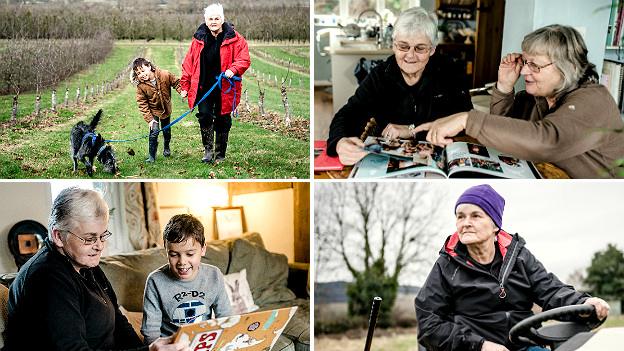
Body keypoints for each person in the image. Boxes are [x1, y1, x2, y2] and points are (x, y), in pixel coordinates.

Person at [415, 184, 610, 351]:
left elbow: (550, 290)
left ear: (495, 225)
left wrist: (584, 301)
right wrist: (480, 345)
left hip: (524, 344)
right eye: (460, 216)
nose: (465, 223)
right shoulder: (447, 265)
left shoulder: (519, 257)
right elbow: (429, 324)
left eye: (475, 216)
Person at [414, 25, 624, 178]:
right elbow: (503, 138)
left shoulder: (595, 99)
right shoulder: (534, 99)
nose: (524, 71)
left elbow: (548, 142)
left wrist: (467, 119)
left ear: (567, 67)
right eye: (525, 62)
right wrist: (504, 87)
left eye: (535, 65)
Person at [3, 187, 189, 351]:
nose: (99, 246)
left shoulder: (85, 263)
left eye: (103, 236)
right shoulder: (47, 278)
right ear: (58, 236)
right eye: (90, 238)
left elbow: (118, 322)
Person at [326, 6, 473, 165]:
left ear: (432, 49)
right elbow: (347, 114)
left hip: (440, 159)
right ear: (394, 46)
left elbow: (467, 121)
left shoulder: (450, 72)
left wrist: (411, 130)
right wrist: (340, 142)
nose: (410, 55)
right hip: (388, 161)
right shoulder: (379, 76)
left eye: (420, 48)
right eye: (403, 46)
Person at [141, 214, 232, 344]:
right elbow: (150, 333)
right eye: (173, 255)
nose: (182, 262)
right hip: (171, 346)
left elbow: (226, 318)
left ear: (203, 249)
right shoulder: (155, 281)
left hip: (204, 342)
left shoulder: (214, 275)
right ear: (166, 251)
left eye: (190, 254)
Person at [180, 3, 250, 163]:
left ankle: (220, 154)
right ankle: (208, 151)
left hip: (224, 87)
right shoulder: (198, 39)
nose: (213, 21)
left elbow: (244, 59)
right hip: (204, 87)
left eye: (216, 18)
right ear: (205, 20)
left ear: (222, 19)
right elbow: (188, 64)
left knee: (223, 119)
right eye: (210, 18)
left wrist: (233, 69)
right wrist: (185, 85)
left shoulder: (235, 38)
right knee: (204, 116)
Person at [132, 57, 185, 163]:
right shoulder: (141, 86)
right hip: (153, 111)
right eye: (138, 73)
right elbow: (142, 104)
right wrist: (150, 119)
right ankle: (152, 156)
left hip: (165, 109)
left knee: (166, 130)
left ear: (149, 66)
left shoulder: (164, 74)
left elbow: (176, 83)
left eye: (143, 70)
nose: (141, 74)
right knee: (154, 131)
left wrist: (181, 91)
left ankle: (166, 147)